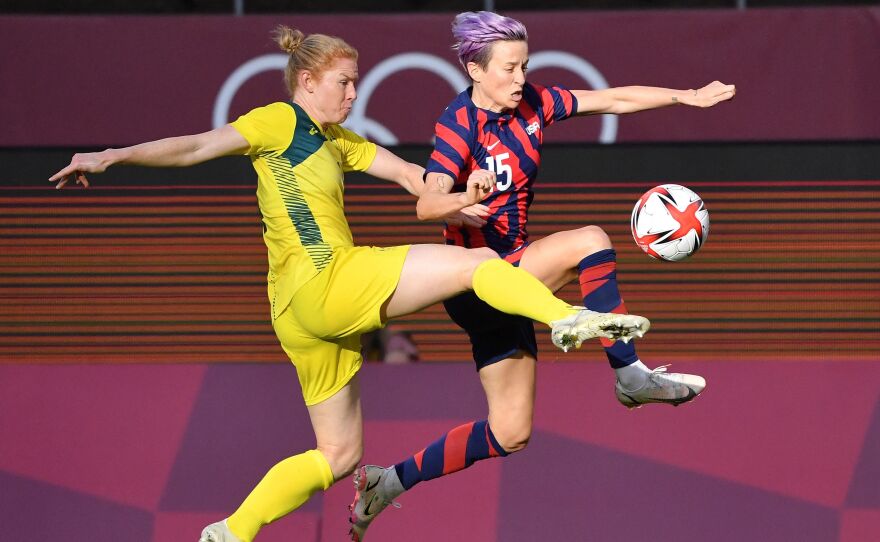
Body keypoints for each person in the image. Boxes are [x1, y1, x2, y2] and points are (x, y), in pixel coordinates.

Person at [49, 25, 651, 542]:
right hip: (331, 280)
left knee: (338, 456)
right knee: (476, 267)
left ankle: (232, 530)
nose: (355, 93)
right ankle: (567, 319)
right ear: (307, 80)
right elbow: (197, 146)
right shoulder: (278, 121)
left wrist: (457, 194)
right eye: (345, 81)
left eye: (359, 80)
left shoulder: (340, 142)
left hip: (296, 317)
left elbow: (412, 174)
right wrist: (113, 155)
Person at [348, 11, 734, 540]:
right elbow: (426, 204)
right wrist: (466, 198)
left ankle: (387, 482)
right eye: (508, 68)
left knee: (511, 432)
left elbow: (613, 99)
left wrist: (683, 95)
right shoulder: (459, 124)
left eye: (524, 65)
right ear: (474, 69)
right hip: (475, 281)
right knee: (592, 242)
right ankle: (629, 376)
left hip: (512, 277)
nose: (520, 78)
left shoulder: (535, 104)